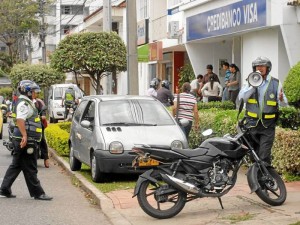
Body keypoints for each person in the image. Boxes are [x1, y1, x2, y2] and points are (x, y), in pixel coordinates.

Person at [0, 80, 52, 200]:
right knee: (31, 166)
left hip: (24, 139)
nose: (35, 94)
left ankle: (4, 189)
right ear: (27, 92)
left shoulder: (27, 102)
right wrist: (24, 135)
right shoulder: (24, 104)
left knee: (16, 165)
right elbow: (20, 119)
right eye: (33, 91)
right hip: (26, 140)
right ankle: (38, 193)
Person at [238, 56, 288, 165]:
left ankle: (265, 179)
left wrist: (281, 99)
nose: (259, 68)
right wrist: (253, 86)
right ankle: (258, 179)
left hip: (268, 126)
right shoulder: (249, 82)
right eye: (257, 66)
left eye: (262, 66)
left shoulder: (275, 83)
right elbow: (241, 99)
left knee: (264, 155)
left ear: (268, 68)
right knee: (254, 156)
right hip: (251, 125)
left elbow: (284, 104)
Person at [32, 88, 49, 168]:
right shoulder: (26, 102)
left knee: (42, 140)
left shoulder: (39, 102)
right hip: (28, 126)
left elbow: (44, 112)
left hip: (38, 125)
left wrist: (42, 116)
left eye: (35, 93)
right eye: (33, 92)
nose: (35, 94)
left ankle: (46, 158)